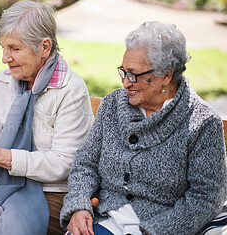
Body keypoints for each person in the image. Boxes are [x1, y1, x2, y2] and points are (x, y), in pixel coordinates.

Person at [60, 21, 227, 235]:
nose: (125, 83)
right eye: (123, 71)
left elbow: (206, 198)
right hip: (102, 220)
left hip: (160, 228)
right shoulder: (112, 105)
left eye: (134, 74)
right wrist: (79, 206)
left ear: (166, 74)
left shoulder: (202, 122)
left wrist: (154, 231)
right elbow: (86, 163)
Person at [0, 0, 94, 235]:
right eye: (3, 47)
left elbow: (64, 164)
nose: (5, 58)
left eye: (15, 49)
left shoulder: (70, 89)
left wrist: (1, 156)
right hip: (2, 183)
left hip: (52, 189)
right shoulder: (2, 82)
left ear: (45, 47)